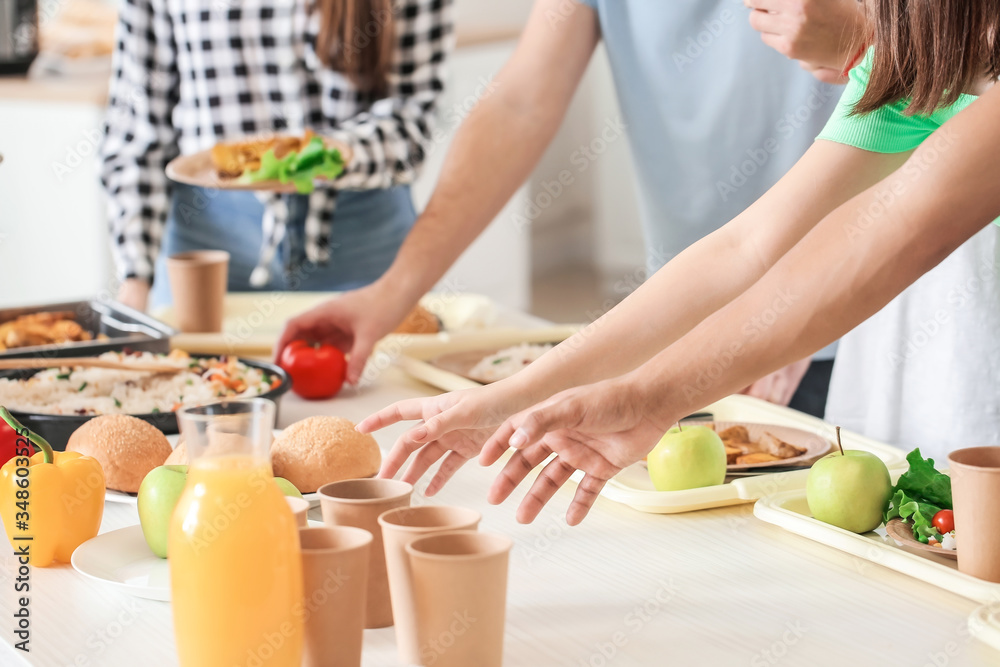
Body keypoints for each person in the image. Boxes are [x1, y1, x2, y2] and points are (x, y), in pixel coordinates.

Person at [361, 0, 1000, 525]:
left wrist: (650, 394)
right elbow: (745, 247)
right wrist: (523, 393)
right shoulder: (916, 66)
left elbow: (892, 236)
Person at [276, 0, 868, 416]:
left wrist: (792, 307)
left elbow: (925, 107)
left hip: (852, 314)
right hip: (685, 315)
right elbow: (519, 106)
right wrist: (391, 293)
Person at [100, 0, 454, 312]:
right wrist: (134, 281)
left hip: (364, 237)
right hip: (207, 244)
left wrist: (324, 156)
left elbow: (414, 111)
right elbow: (136, 131)